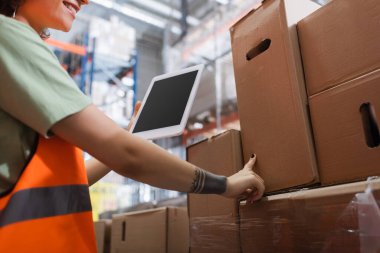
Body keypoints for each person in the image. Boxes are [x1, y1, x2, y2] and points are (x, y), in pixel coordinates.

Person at [0, 0, 265, 252]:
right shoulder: (8, 36)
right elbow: (127, 156)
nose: (85, 1)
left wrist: (127, 136)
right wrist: (226, 185)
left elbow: (74, 178)